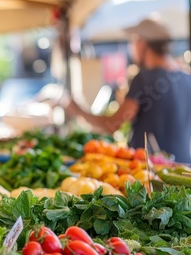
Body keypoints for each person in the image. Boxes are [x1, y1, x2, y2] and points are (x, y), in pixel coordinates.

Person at [65, 18, 191, 164]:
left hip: (150, 172)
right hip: (183, 169)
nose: (131, 48)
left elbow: (112, 125)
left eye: (133, 42)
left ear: (142, 43)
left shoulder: (144, 79)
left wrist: (78, 111)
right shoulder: (186, 78)